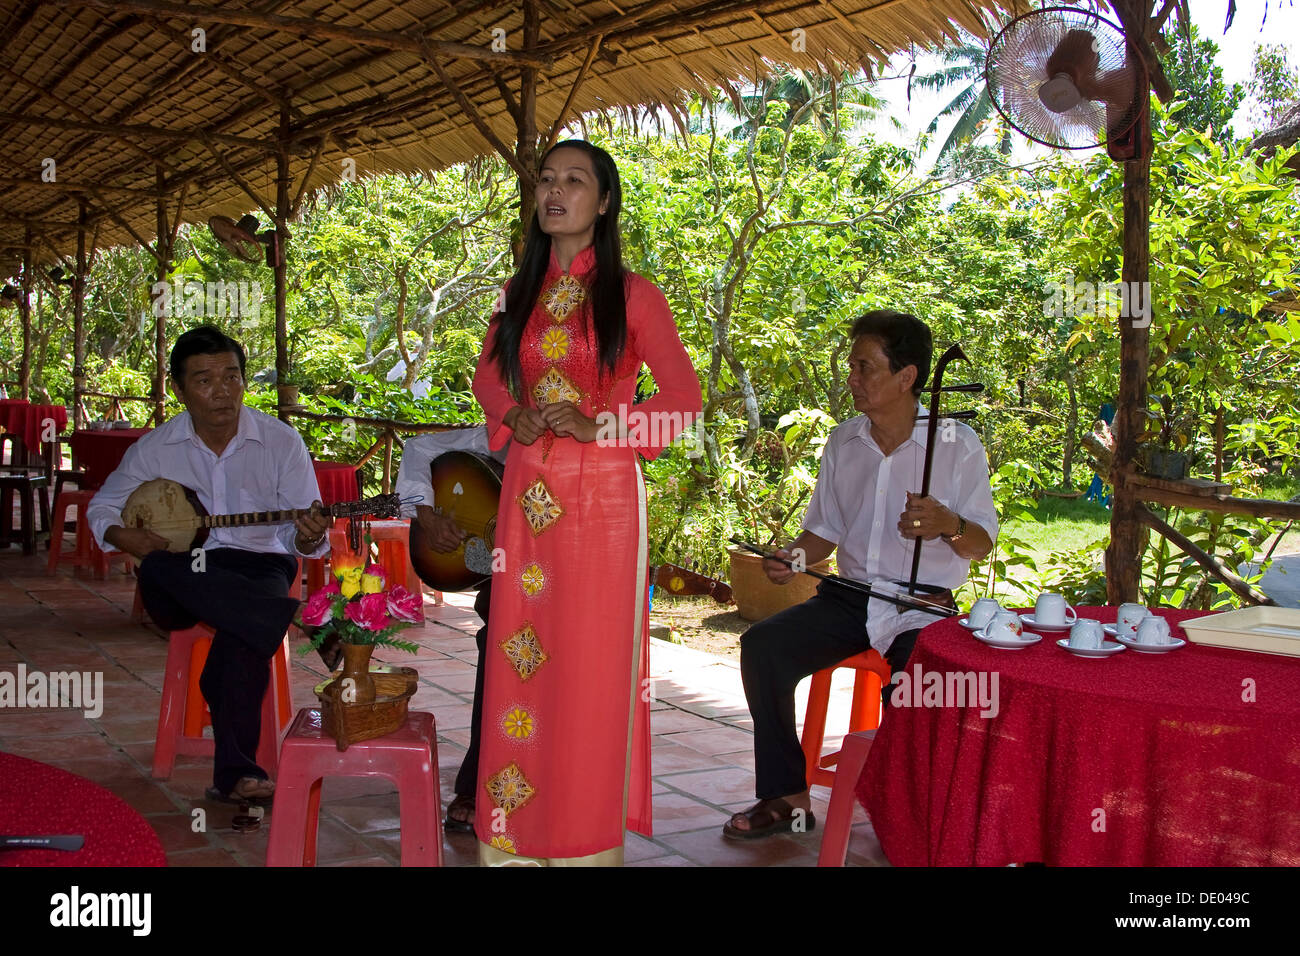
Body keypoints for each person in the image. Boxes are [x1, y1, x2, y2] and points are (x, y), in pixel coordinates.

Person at [471, 139, 702, 865]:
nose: (554, 192)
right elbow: (487, 378)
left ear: (604, 204)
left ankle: (577, 843)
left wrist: (605, 423)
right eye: (546, 180)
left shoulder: (634, 295)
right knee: (517, 651)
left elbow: (684, 403)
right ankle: (510, 842)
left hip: (601, 502)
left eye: (574, 181)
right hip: (526, 497)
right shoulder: (518, 295)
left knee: (588, 666)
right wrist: (516, 414)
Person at [723, 310, 998, 840]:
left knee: (920, 691)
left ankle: (915, 811)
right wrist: (792, 560)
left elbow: (981, 543)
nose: (852, 378)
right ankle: (787, 798)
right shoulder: (844, 441)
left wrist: (948, 523)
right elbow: (822, 533)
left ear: (907, 377)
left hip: (925, 606)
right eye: (852, 365)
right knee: (764, 647)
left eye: (864, 367)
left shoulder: (957, 444)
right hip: (849, 599)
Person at [88, 325, 330, 805]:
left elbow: (296, 533)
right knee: (157, 567)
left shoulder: (281, 442)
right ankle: (288, 614)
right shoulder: (155, 448)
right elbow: (102, 508)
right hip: (184, 574)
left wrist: (309, 535)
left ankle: (237, 774)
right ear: (179, 388)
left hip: (259, 565)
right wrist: (121, 533)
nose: (222, 391)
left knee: (240, 635)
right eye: (204, 380)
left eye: (232, 377)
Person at [395, 424, 506, 832]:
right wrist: (427, 516)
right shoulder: (504, 431)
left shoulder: (592, 439)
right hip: (505, 585)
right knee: (499, 633)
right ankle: (478, 782)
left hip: (560, 581)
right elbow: (419, 448)